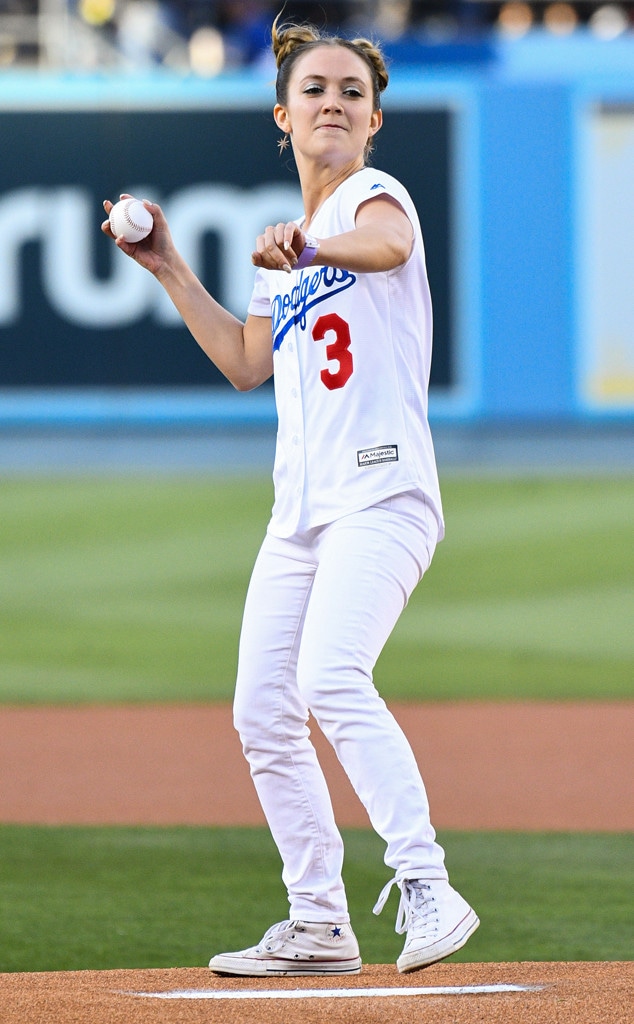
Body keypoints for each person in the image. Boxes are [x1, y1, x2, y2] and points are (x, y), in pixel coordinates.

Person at [102, 13, 479, 977]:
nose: (335, 103)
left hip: (385, 491)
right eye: (315, 89)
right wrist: (169, 265)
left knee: (330, 678)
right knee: (261, 709)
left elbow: (388, 247)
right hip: (302, 514)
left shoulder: (370, 200)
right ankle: (318, 921)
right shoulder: (292, 241)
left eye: (353, 92)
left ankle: (428, 883)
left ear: (375, 121)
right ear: (282, 114)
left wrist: (315, 249)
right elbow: (242, 360)